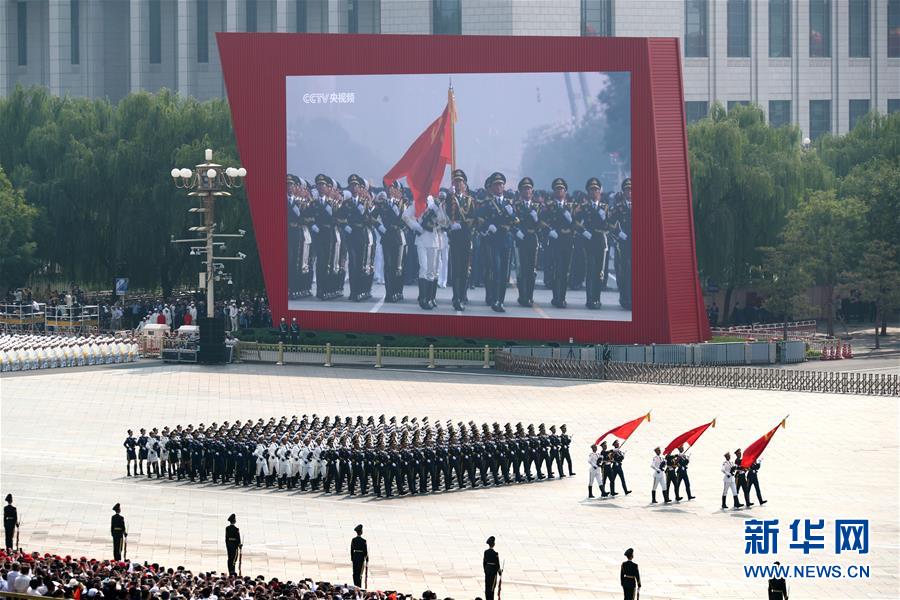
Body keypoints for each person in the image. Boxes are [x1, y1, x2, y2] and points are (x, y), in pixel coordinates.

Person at [483, 536, 501, 600]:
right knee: (492, 588)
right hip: (493, 572)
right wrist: (500, 572)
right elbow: (497, 564)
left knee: (487, 586)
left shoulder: (486, 552)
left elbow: (484, 563)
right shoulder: (495, 554)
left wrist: (485, 570)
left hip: (487, 571)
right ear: (494, 544)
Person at [350, 524, 368, 588]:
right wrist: (366, 558)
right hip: (360, 557)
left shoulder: (353, 540)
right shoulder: (363, 541)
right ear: (361, 532)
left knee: (355, 572)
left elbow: (351, 549)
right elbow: (365, 551)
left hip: (355, 557)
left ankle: (355, 584)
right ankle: (359, 586)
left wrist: (352, 558)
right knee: (359, 573)